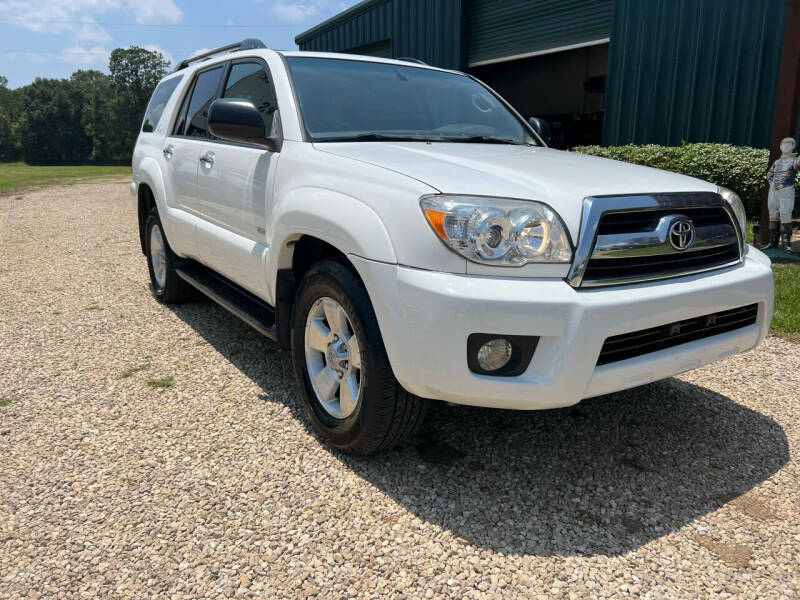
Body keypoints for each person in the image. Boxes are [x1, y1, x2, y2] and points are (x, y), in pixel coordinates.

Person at [762, 137, 800, 253]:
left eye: (789, 145)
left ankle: (786, 244)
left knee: (785, 215)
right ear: (780, 146)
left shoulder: (794, 161)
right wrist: (773, 184)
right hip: (774, 191)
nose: (786, 147)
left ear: (793, 146)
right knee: (773, 215)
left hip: (786, 190)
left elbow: (797, 166)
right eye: (784, 144)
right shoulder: (777, 162)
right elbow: (769, 175)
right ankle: (772, 243)